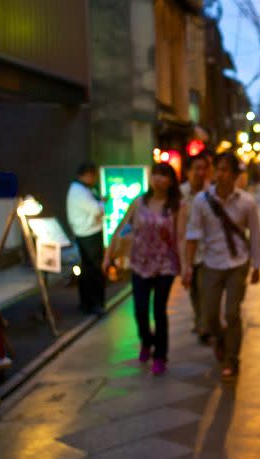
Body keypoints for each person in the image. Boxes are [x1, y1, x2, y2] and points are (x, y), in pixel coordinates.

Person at [184, 152, 260, 379]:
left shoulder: (246, 202)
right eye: (217, 169)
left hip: (238, 263)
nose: (220, 174)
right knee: (208, 317)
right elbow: (192, 234)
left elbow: (255, 234)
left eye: (225, 169)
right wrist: (188, 266)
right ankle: (221, 339)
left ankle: (231, 359)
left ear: (235, 175)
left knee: (232, 312)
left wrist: (257, 265)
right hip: (211, 263)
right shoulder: (201, 201)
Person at [104, 163, 182, 376]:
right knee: (139, 310)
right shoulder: (139, 202)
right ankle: (146, 342)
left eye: (163, 175)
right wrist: (108, 255)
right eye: (155, 174)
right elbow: (121, 227)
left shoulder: (176, 206)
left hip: (165, 264)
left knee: (158, 310)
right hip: (140, 263)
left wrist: (186, 267)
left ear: (171, 181)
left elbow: (181, 237)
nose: (158, 179)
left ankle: (160, 355)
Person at [178, 152, 211, 343]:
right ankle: (200, 320)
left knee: (205, 287)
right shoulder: (180, 194)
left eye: (203, 168)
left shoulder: (211, 193)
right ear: (188, 171)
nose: (200, 172)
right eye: (196, 168)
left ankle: (205, 324)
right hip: (187, 251)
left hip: (207, 251)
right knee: (194, 289)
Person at [66, 162, 106, 315]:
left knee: (87, 270)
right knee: (93, 270)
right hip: (89, 233)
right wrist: (101, 203)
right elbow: (97, 210)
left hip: (84, 233)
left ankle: (87, 303)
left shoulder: (79, 189)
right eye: (93, 175)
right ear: (88, 175)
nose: (94, 179)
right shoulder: (80, 191)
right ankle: (95, 304)